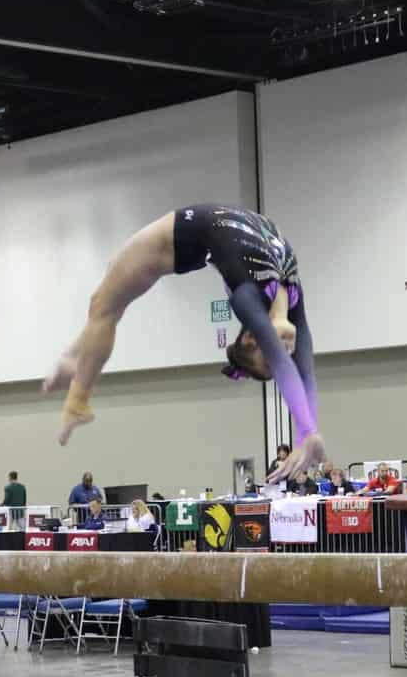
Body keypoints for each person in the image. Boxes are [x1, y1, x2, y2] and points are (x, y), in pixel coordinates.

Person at [44, 205, 323, 482]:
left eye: (272, 358)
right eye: (273, 359)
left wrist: (307, 433)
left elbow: (300, 369)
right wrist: (307, 431)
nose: (284, 354)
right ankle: (73, 360)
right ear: (252, 338)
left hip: (172, 243)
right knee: (107, 297)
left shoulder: (252, 295)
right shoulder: (278, 297)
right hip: (189, 236)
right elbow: (296, 367)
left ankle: (77, 399)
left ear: (252, 338)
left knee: (102, 306)